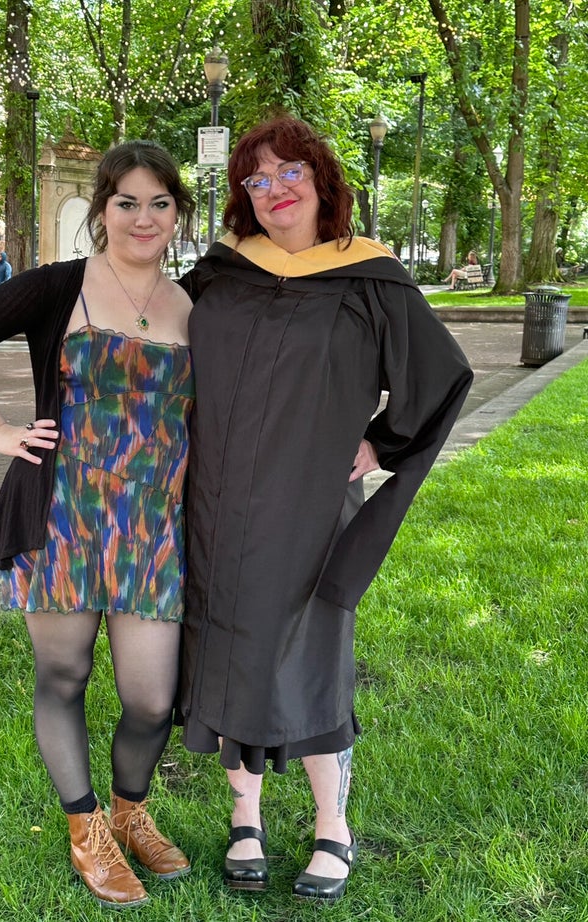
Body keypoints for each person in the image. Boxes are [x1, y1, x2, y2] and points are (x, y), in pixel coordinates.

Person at [178, 116, 473, 902]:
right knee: (229, 646)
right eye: (255, 178)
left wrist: (380, 444)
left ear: (321, 179)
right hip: (214, 500)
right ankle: (246, 816)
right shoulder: (221, 272)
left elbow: (441, 376)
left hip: (310, 501)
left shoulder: (370, 275)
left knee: (309, 654)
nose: (273, 190)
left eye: (288, 172)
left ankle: (330, 824)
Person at [0, 140, 196, 909]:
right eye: (126, 202)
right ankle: (87, 832)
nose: (143, 217)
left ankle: (130, 811)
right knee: (65, 675)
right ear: (101, 211)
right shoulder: (60, 287)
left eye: (160, 202)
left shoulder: (195, 302)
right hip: (64, 517)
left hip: (153, 524)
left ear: (177, 212)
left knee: (152, 698)